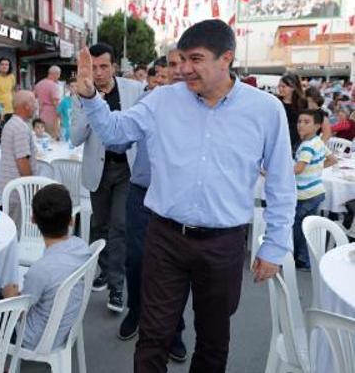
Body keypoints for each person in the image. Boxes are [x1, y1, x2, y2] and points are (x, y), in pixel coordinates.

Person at [73, 19, 295, 372]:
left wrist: (274, 246)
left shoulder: (265, 111)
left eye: (196, 59)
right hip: (165, 238)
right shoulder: (163, 99)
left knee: (212, 340)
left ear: (227, 58)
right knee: (154, 334)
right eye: (182, 59)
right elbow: (116, 133)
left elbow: (282, 183)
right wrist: (89, 97)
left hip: (224, 243)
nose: (185, 69)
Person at [119, 56, 187, 362]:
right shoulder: (145, 104)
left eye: (169, 71)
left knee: (175, 268)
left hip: (175, 199)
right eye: (157, 74)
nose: (163, 79)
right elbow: (118, 141)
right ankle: (135, 311)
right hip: (142, 193)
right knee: (136, 259)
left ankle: (175, 329)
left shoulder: (192, 107)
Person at [69, 43, 143, 313]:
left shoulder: (134, 90)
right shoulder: (80, 94)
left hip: (126, 167)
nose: (98, 73)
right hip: (97, 170)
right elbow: (74, 138)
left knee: (119, 226)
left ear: (114, 67)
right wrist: (91, 105)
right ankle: (103, 270)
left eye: (104, 67)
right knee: (99, 226)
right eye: (94, 67)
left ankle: (116, 287)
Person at [1, 184, 91, 349]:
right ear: (71, 220)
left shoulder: (40, 270)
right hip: (66, 326)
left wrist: (9, 296)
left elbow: (21, 311)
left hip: (35, 339)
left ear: (33, 220)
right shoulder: (82, 248)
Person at [293, 109, 337, 271]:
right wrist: (317, 168)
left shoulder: (307, 147)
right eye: (299, 121)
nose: (300, 125)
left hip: (305, 195)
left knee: (299, 227)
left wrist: (269, 173)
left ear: (318, 126)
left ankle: (302, 259)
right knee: (308, 227)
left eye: (306, 122)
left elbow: (297, 169)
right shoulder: (318, 142)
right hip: (316, 192)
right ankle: (306, 259)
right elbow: (332, 160)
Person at [0, 90, 38, 227]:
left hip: (9, 189)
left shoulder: (11, 124)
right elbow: (22, 161)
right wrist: (32, 188)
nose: (36, 105)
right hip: (17, 192)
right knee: (16, 231)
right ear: (26, 106)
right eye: (33, 101)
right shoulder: (20, 127)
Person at [278, 73, 307, 151]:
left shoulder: (303, 103)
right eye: (279, 86)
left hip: (298, 143)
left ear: (293, 88)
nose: (280, 89)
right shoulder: (276, 102)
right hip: (279, 141)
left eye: (283, 86)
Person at [34, 66, 62, 138]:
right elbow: (56, 102)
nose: (59, 77)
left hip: (41, 114)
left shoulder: (39, 83)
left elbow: (33, 97)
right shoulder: (54, 86)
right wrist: (61, 115)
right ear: (55, 74)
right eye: (59, 74)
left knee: (42, 137)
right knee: (52, 137)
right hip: (51, 115)